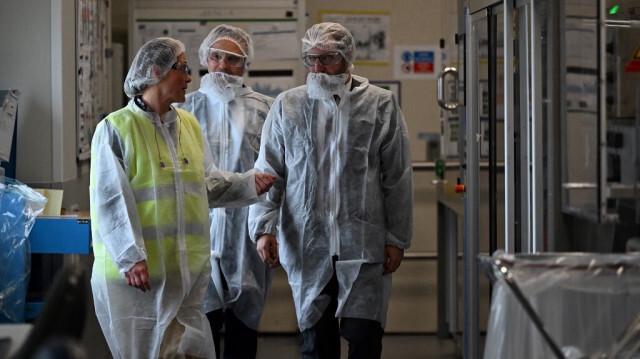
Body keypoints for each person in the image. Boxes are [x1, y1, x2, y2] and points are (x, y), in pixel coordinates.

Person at [89, 37, 275, 359]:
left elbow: (207, 184)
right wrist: (130, 256)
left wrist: (248, 185)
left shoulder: (187, 124)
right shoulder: (115, 129)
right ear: (156, 71)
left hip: (183, 274)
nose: (191, 77)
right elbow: (110, 202)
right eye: (183, 69)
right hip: (138, 278)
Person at [248, 22, 413, 359]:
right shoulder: (288, 105)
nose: (317, 69)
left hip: (363, 246)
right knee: (315, 344)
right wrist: (263, 228)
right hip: (309, 244)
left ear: (347, 57)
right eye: (311, 59)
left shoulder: (379, 105)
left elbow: (396, 176)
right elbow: (269, 171)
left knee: (365, 340)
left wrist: (397, 239)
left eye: (326, 59)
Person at [177, 25, 274, 359]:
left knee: (243, 332)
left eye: (232, 59)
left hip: (246, 235)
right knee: (198, 330)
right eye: (215, 56)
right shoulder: (182, 110)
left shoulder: (267, 109)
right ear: (204, 58)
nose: (222, 65)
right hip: (195, 233)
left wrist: (266, 229)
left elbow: (275, 174)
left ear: (245, 64)